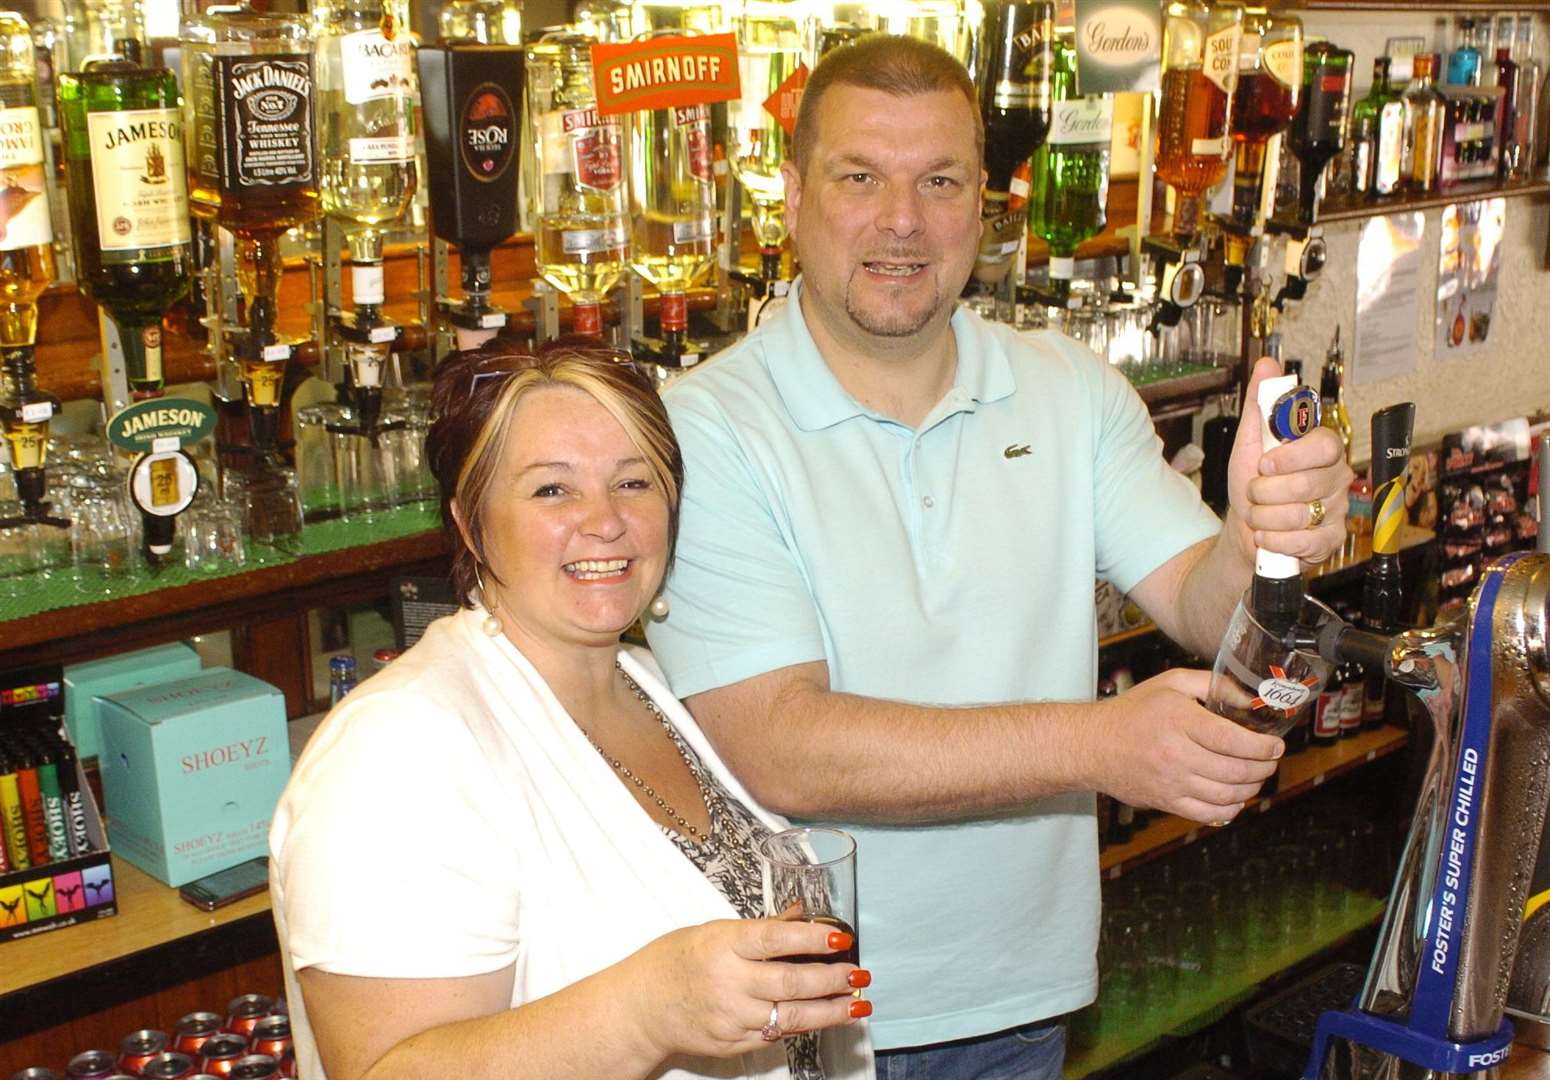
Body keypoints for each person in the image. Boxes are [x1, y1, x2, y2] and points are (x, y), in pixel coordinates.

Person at [643, 35, 1353, 1079]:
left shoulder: (1067, 390)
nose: (901, 221)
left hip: (1026, 998)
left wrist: (1263, 535)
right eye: (858, 178)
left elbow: (1205, 609)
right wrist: (1093, 745)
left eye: (939, 181)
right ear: (789, 197)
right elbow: (776, 744)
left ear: (985, 202)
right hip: (803, 1020)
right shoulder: (701, 429)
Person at [269, 340, 875, 1080]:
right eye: (552, 490)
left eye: (635, 482)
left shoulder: (646, 681)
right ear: (470, 522)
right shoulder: (398, 750)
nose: (606, 521)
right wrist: (648, 1009)